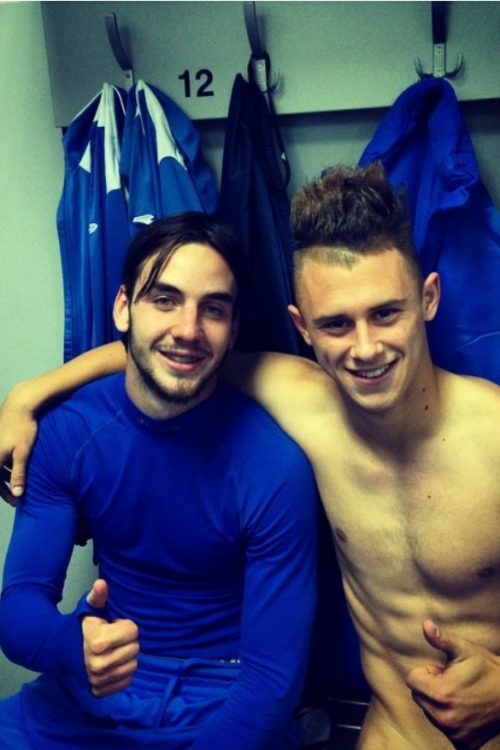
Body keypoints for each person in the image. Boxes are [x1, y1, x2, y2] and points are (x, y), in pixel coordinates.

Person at [2, 163, 500, 750]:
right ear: (303, 328)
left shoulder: (490, 435)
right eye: (336, 324)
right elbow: (168, 354)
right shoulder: (306, 403)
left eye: (386, 313)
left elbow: (177, 343)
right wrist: (26, 395)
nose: (366, 348)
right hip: (393, 731)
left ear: (428, 298)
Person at [0, 212, 318, 749]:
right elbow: (19, 604)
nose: (188, 330)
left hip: (223, 699)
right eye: (165, 300)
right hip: (92, 692)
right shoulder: (68, 434)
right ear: (123, 308)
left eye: (212, 309)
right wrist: (70, 645)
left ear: (234, 329)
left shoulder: (274, 465)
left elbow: (271, 684)